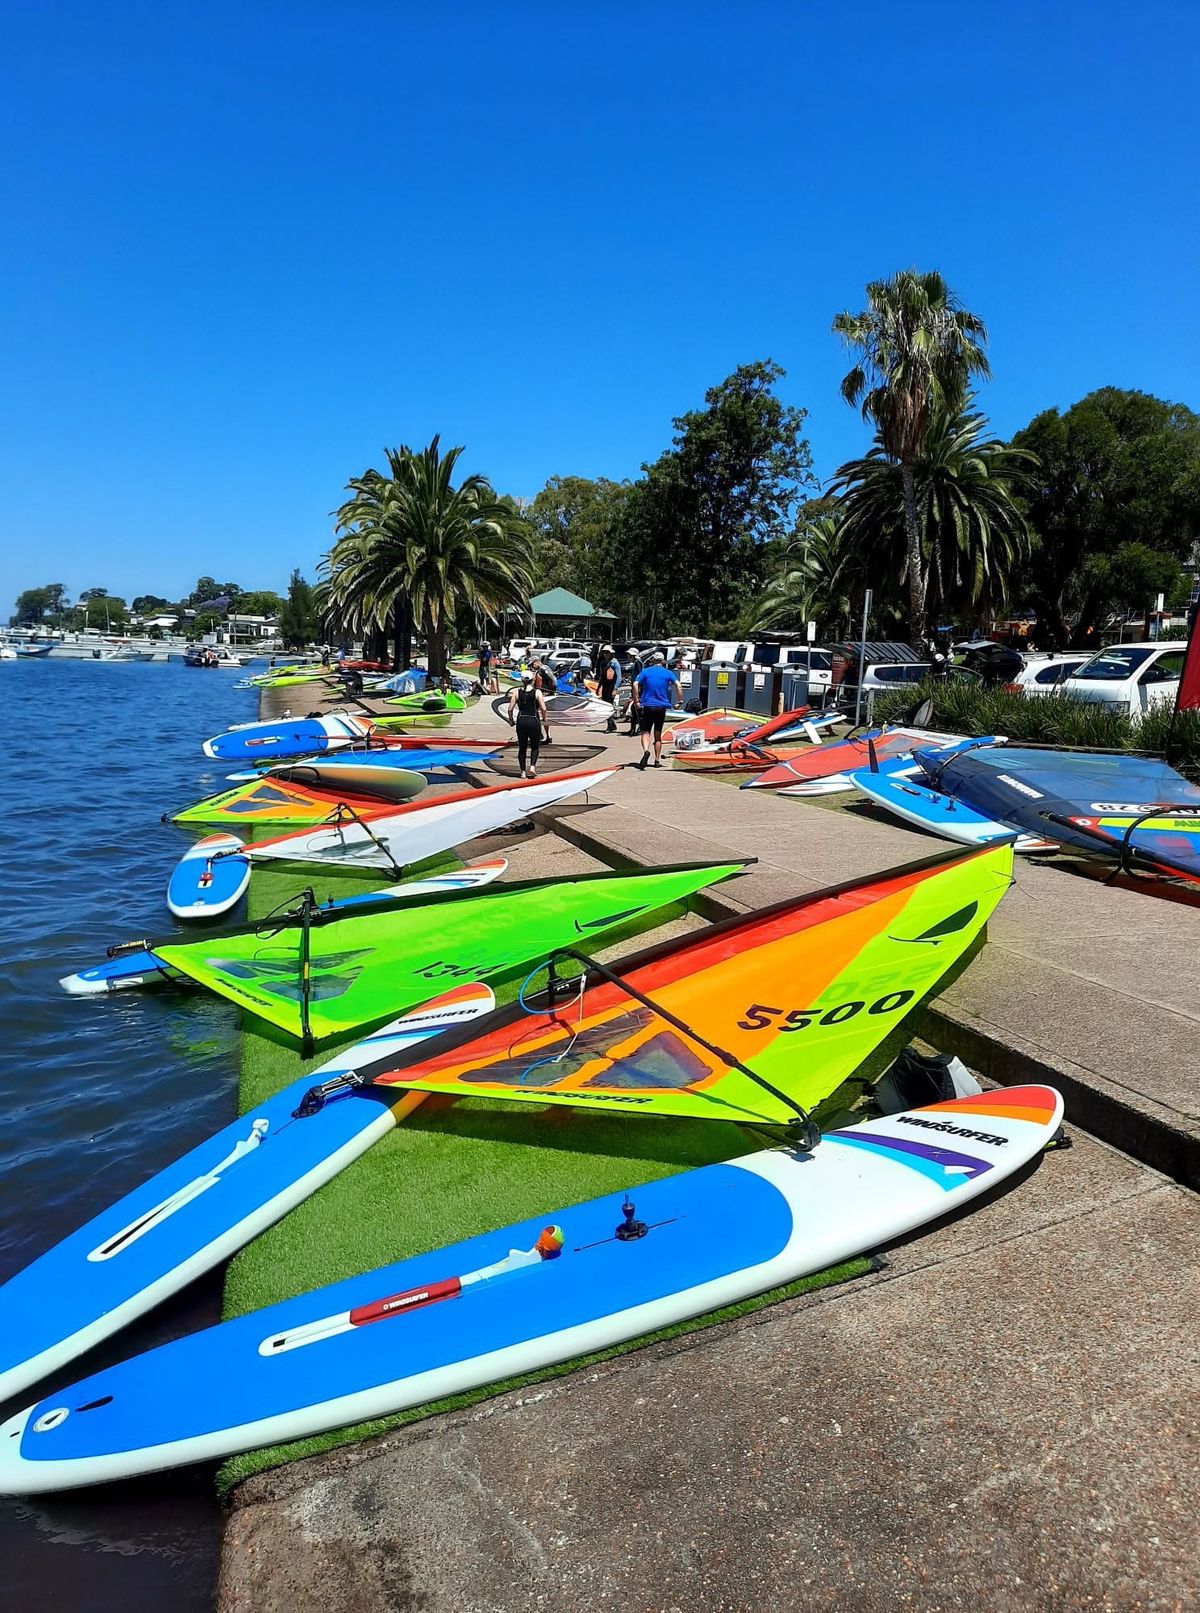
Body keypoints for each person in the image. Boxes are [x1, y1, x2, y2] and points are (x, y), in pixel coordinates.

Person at [634, 651, 679, 770]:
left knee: (645, 732)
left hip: (648, 705)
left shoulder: (646, 671)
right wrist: (679, 701)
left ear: (653, 660)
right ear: (663, 661)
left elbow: (635, 684)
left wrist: (636, 700)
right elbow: (678, 685)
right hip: (661, 706)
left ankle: (646, 751)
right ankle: (657, 760)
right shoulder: (668, 673)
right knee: (658, 734)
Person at [506, 671, 547, 778]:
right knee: (535, 746)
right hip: (534, 720)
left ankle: (522, 772)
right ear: (533, 680)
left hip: (521, 721)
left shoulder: (516, 692)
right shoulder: (537, 692)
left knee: (522, 747)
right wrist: (544, 718)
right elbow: (543, 708)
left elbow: (510, 709)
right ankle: (532, 767)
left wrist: (510, 720)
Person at [596, 643, 621, 733]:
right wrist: (598, 687)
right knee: (606, 705)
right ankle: (612, 724)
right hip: (605, 687)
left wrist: (615, 689)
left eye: (607, 652)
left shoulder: (615, 663)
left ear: (611, 653)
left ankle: (610, 725)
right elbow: (602, 677)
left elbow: (619, 677)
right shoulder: (603, 663)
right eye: (604, 652)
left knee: (609, 706)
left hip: (611, 687)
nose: (605, 654)